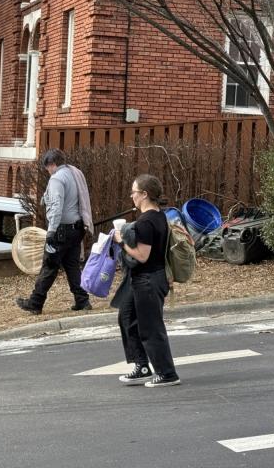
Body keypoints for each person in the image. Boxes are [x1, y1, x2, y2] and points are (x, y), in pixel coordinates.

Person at [111, 174, 180, 387]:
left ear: (144, 194)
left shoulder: (147, 221)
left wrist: (120, 241)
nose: (132, 196)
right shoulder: (158, 216)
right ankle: (141, 366)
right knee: (127, 315)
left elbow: (142, 255)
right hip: (146, 278)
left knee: (151, 328)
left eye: (134, 192)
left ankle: (167, 374)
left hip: (148, 280)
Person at [16, 149, 93, 315]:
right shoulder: (75, 173)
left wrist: (51, 231)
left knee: (49, 266)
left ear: (52, 164)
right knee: (72, 266)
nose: (48, 171)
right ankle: (82, 300)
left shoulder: (57, 178)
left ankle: (35, 303)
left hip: (61, 230)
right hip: (76, 228)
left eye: (47, 168)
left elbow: (56, 206)